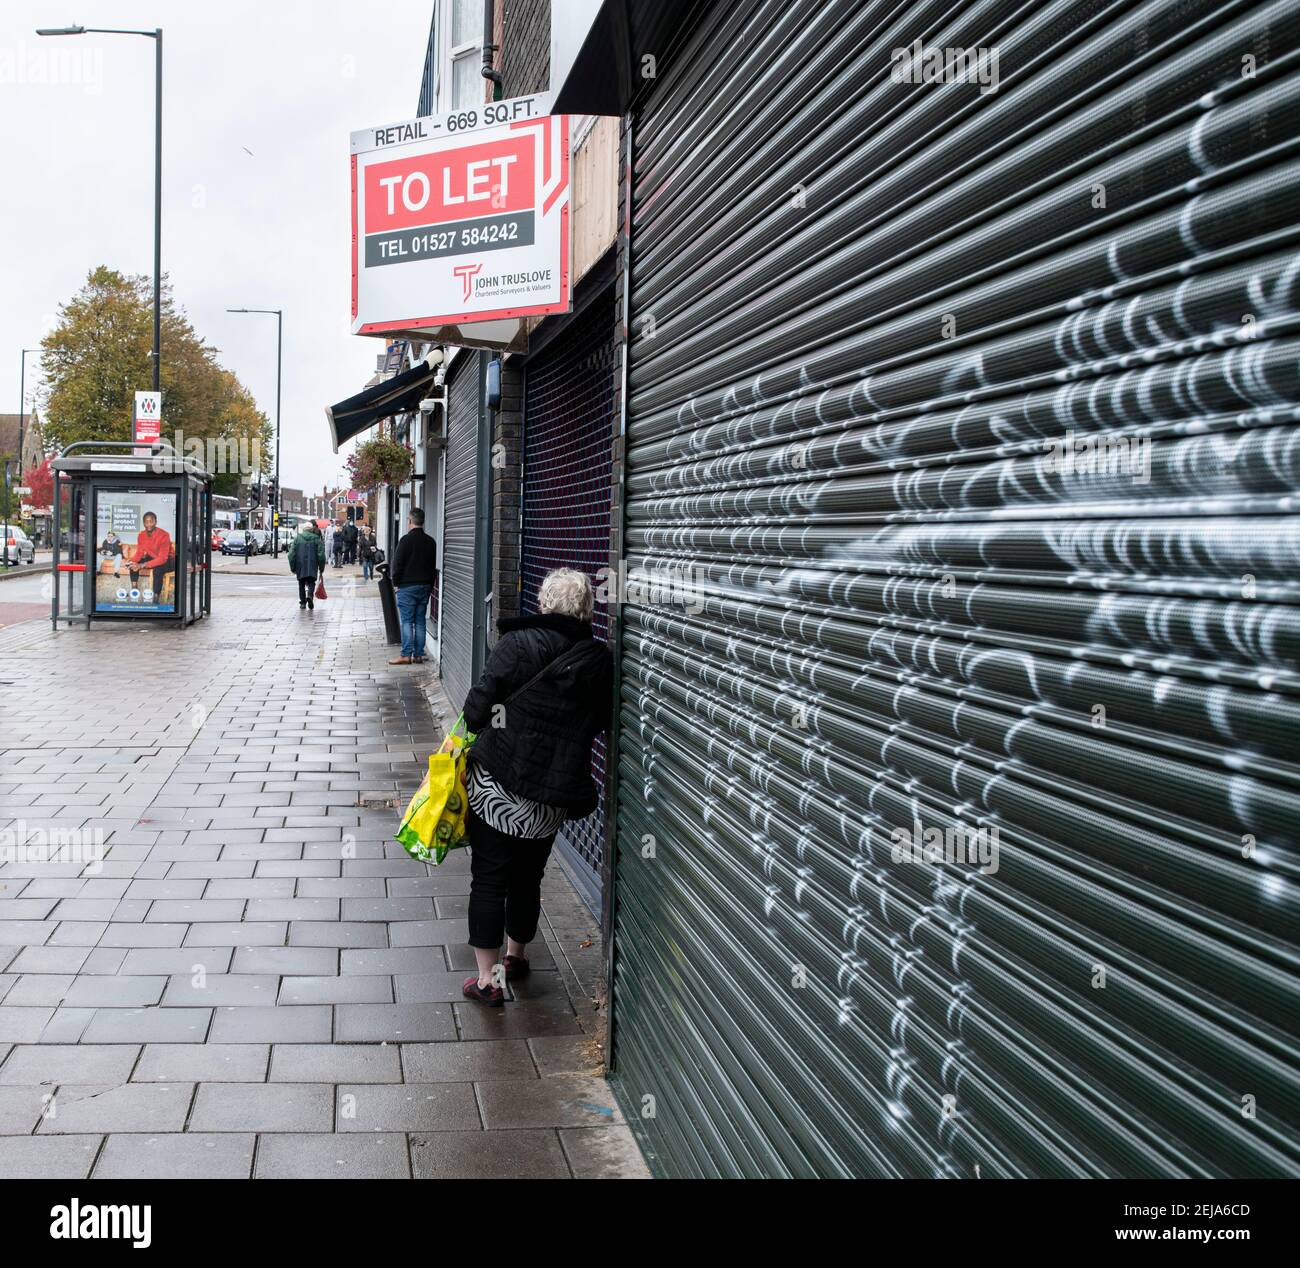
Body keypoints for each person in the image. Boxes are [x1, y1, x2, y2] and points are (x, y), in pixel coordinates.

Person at [458, 568, 613, 1006]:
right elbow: (599, 722)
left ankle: (487, 982)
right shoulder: (598, 661)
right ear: (585, 609)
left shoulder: (517, 644)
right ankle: (515, 958)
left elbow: (476, 713)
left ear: (544, 604)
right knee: (528, 877)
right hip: (551, 795)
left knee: (489, 880)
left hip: (499, 787)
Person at [389, 508, 437, 665]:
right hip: (424, 587)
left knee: (407, 621)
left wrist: (396, 584)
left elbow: (397, 564)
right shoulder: (431, 542)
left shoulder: (405, 540)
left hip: (407, 587)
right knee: (420, 621)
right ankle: (418, 655)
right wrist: (429, 586)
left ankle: (405, 655)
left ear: (410, 521)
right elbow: (432, 567)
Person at [128, 511, 173, 603]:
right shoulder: (141, 535)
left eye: (151, 521)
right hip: (153, 557)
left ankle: (155, 598)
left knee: (158, 568)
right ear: (143, 523)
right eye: (146, 522)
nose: (148, 524)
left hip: (169, 559)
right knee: (133, 564)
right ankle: (134, 589)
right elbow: (139, 553)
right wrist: (130, 561)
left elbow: (162, 558)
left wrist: (142, 565)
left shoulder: (164, 535)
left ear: (155, 522)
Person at [288, 520, 325, 610]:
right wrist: (321, 567)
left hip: (300, 564)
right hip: (312, 564)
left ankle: (303, 603)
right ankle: (310, 596)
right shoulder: (316, 539)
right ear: (311, 529)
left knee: (301, 583)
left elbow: (291, 555)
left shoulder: (297, 538)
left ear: (303, 529)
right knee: (311, 582)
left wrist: (293, 567)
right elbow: (321, 555)